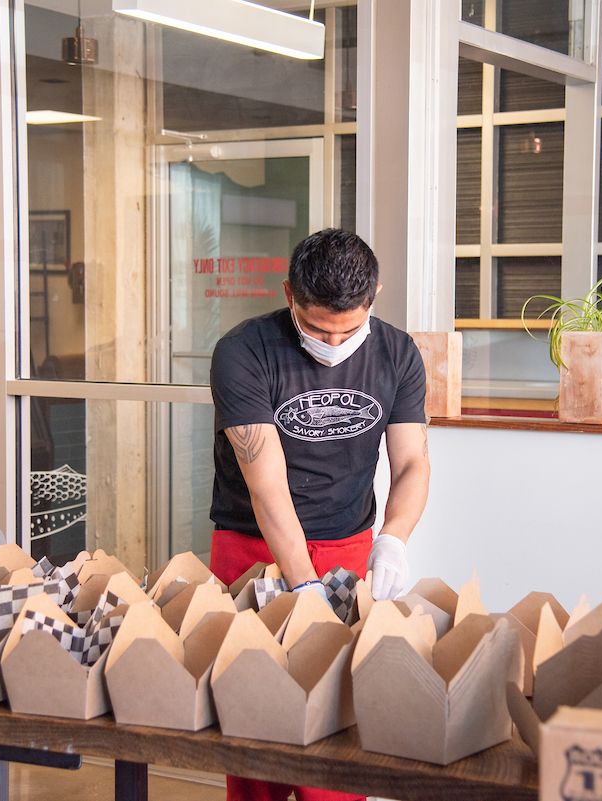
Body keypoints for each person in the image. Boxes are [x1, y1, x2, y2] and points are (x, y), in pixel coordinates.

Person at [208, 228, 430, 801]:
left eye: (349, 329)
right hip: (252, 549)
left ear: (374, 296)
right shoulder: (244, 351)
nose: (333, 342)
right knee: (256, 729)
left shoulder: (398, 354)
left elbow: (411, 463)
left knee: (338, 731)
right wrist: (300, 582)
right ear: (288, 294)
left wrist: (394, 539)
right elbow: (267, 485)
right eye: (315, 327)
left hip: (348, 548)